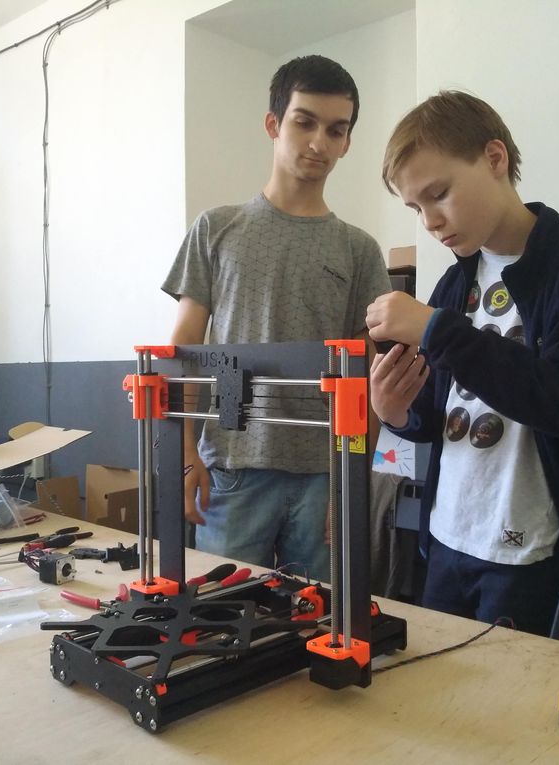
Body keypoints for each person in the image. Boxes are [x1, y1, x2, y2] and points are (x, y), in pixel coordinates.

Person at [366, 91, 559, 635]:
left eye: (439, 194)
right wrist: (394, 410)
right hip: (448, 537)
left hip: (533, 552)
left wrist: (435, 329)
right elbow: (433, 417)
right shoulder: (453, 284)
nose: (430, 221)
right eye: (415, 208)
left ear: (495, 158)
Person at [162, 55, 391, 578]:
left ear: (347, 142)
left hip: (323, 476)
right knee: (223, 612)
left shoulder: (359, 250)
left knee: (318, 614)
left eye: (336, 130)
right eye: (304, 122)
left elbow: (366, 376)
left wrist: (352, 478)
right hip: (232, 467)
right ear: (273, 124)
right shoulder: (217, 229)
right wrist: (183, 454)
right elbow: (184, 350)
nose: (319, 143)